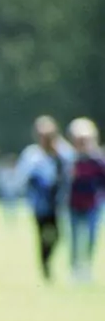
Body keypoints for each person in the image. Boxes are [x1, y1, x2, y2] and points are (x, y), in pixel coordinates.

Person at [15, 115, 74, 281]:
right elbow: (23, 177)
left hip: (57, 203)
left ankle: (47, 260)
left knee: (57, 235)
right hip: (39, 204)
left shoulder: (63, 152)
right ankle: (44, 266)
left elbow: (70, 172)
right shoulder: (32, 155)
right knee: (41, 235)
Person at [65, 118, 105, 283]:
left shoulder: (97, 160)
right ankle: (74, 269)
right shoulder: (70, 159)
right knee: (74, 239)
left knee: (90, 238)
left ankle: (86, 267)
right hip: (73, 205)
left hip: (92, 205)